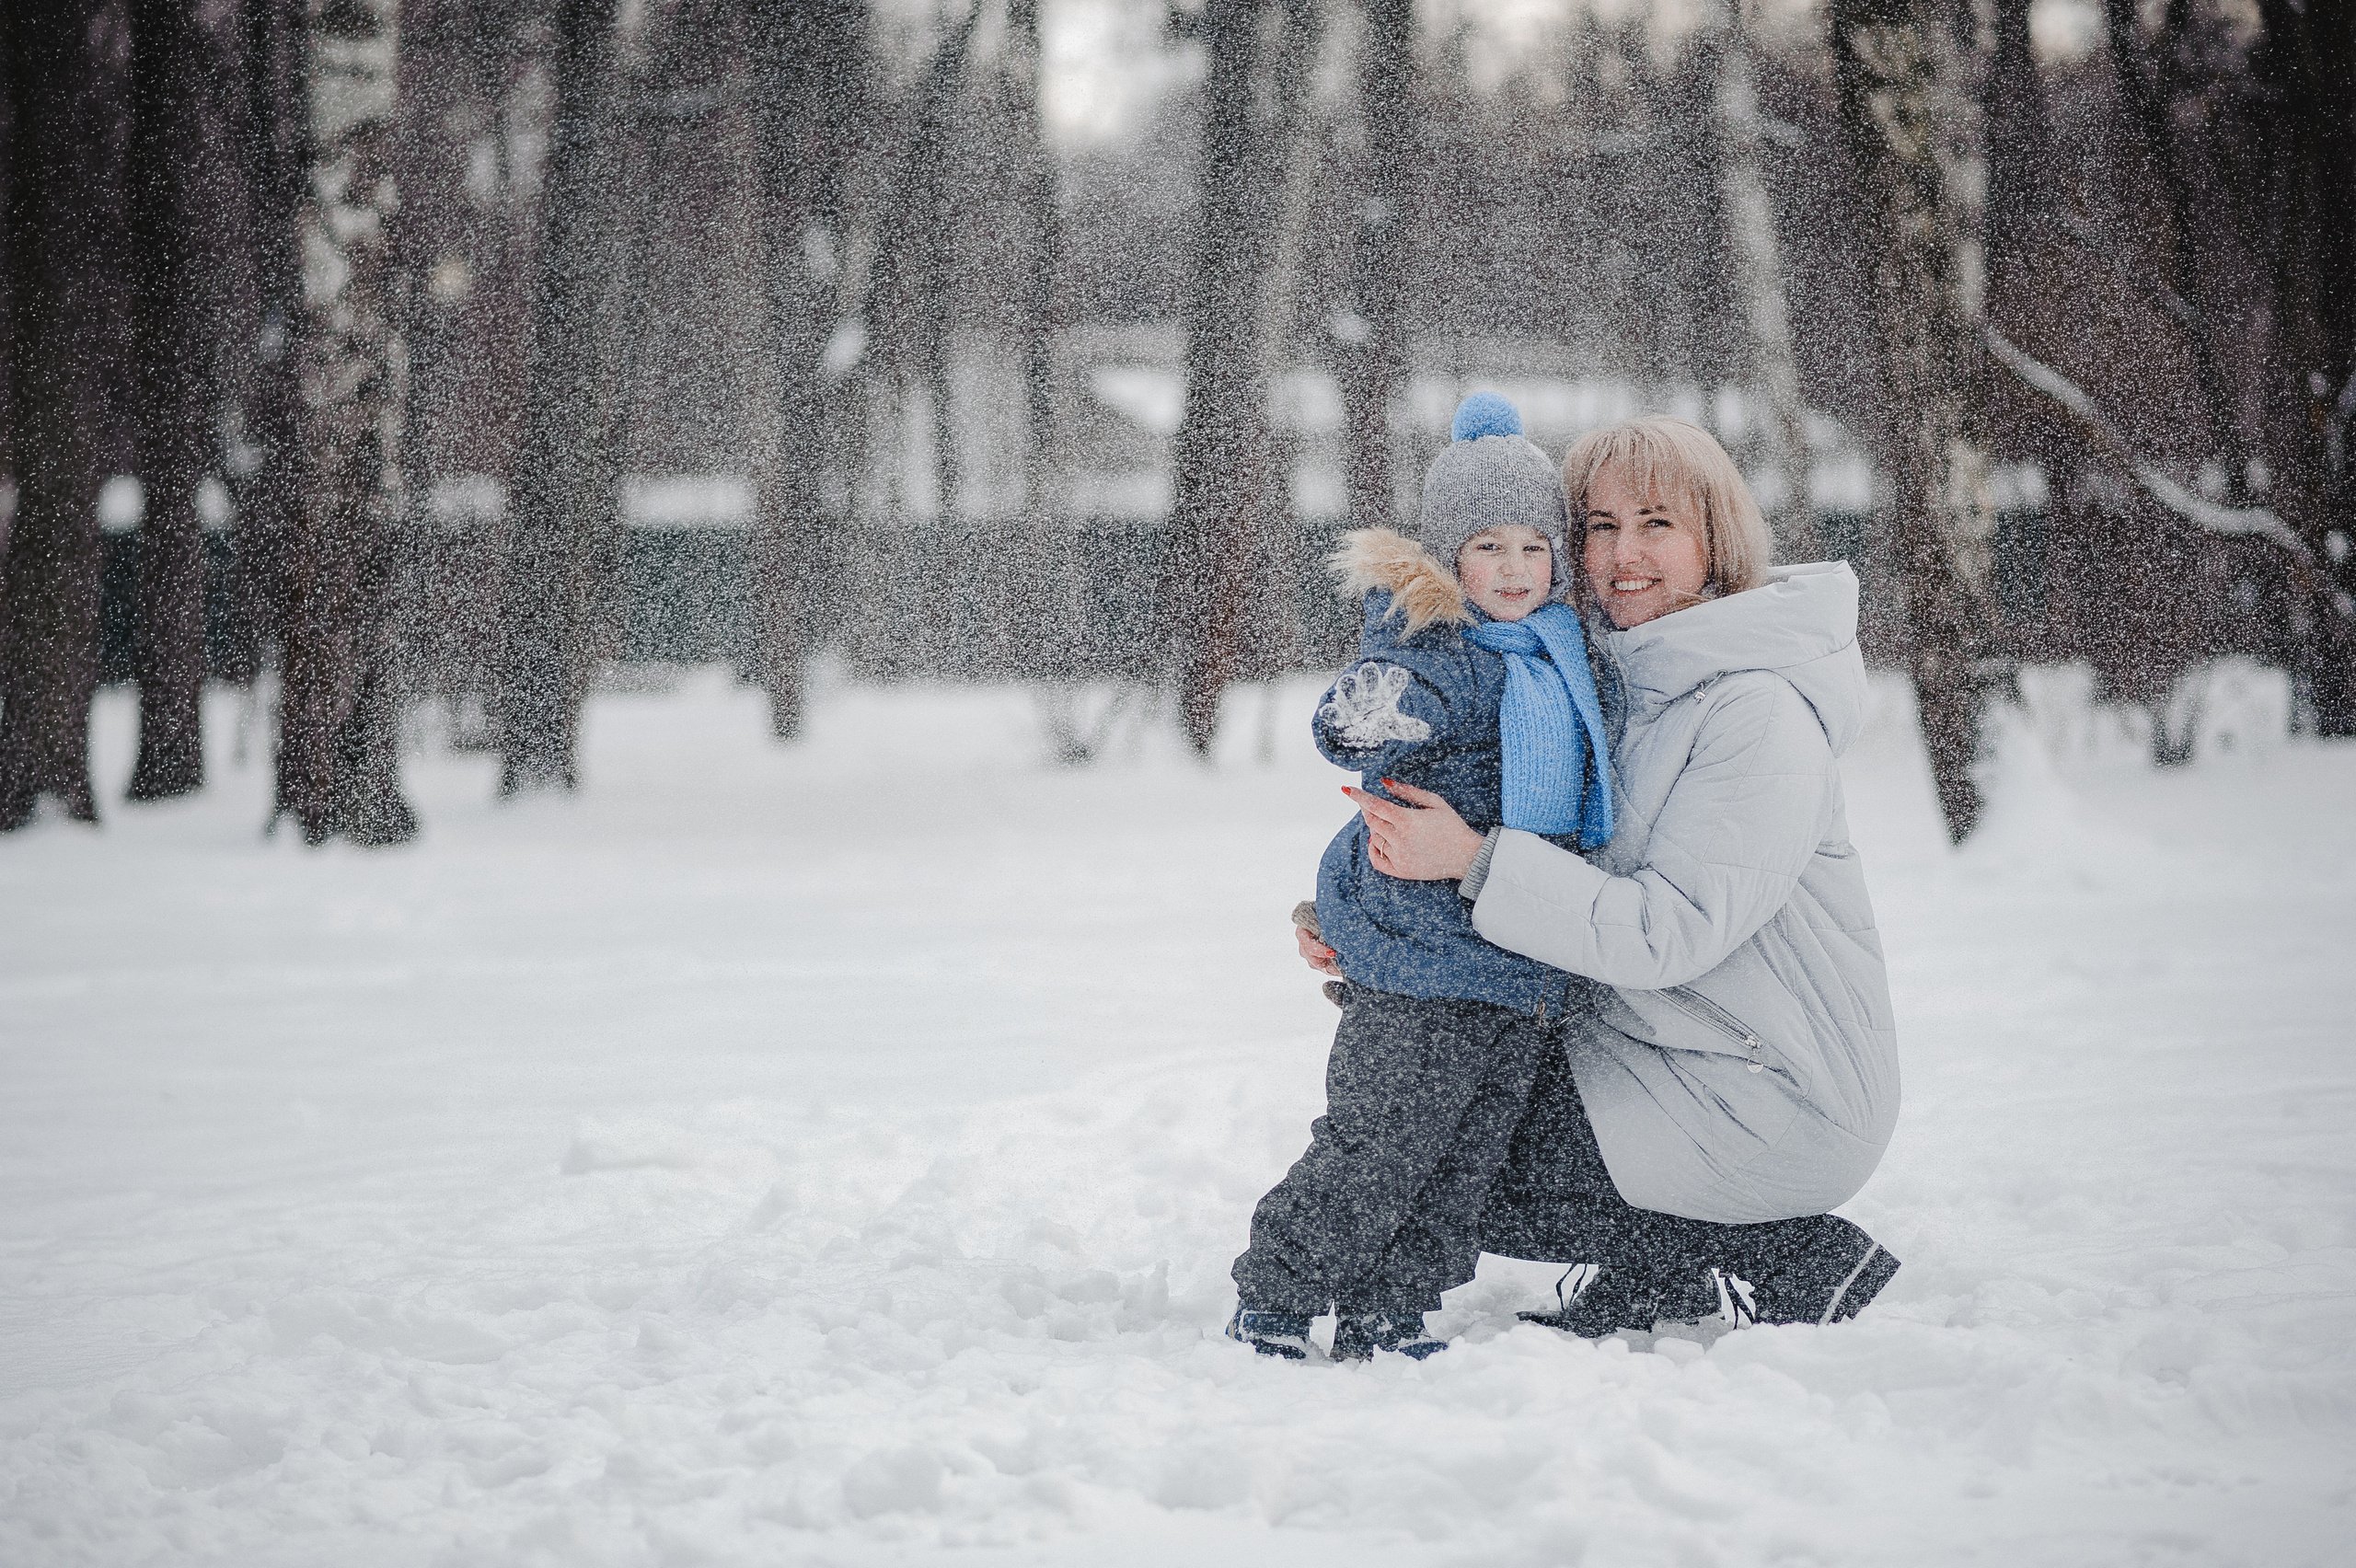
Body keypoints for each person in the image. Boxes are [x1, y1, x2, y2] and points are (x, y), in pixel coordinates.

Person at [1311, 413, 1903, 1337]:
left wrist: (1470, 862)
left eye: (1656, 524)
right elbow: (1539, 875)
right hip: (1660, 1049)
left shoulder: (1756, 715)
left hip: (1772, 1094)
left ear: (1716, 540)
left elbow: (1663, 932)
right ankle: (1658, 1275)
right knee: (1419, 1090)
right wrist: (1371, 918)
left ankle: (1781, 1249)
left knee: (1451, 1143)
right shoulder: (1600, 687)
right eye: (1597, 526)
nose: (1622, 553)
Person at [1226, 394, 1613, 1361]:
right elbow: (1374, 710)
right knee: (1380, 1141)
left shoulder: (1563, 657)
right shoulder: (1438, 651)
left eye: (1533, 548)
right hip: (1420, 958)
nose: (1515, 570)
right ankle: (1277, 1292)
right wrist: (1368, 714)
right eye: (1488, 549)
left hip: (1517, 962)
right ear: (1448, 561)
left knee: (1462, 1162)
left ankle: (1390, 1307)